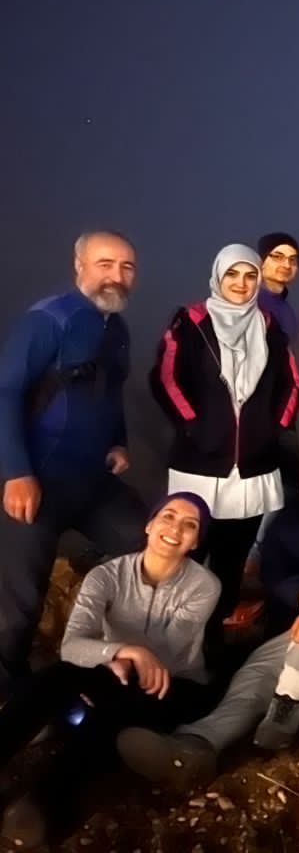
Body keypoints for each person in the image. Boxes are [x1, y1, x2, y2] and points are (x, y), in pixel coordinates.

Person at [116, 454, 299, 787]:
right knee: (253, 677)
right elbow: (274, 575)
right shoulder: (286, 526)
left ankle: (290, 699)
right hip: (297, 639)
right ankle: (195, 746)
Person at [0, 493, 220, 846]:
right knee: (53, 678)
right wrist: (118, 651)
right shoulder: (107, 575)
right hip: (112, 668)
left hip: (174, 681)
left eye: (189, 525)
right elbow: (72, 644)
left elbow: (166, 652)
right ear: (149, 525)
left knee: (111, 714)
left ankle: (44, 804)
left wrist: (118, 658)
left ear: (195, 542)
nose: (175, 528)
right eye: (168, 516)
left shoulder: (204, 585)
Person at [0, 230, 145, 698]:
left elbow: (111, 393)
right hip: (38, 481)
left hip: (92, 481)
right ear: (79, 266)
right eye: (105, 264)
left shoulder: (116, 329)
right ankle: (9, 693)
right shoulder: (49, 320)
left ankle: (117, 658)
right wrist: (16, 472)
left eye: (126, 267)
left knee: (144, 546)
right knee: (19, 602)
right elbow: (5, 392)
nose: (116, 276)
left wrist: (119, 442)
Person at [151, 244, 299, 639]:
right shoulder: (191, 320)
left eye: (250, 275)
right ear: (218, 277)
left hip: (252, 468)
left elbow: (292, 384)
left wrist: (273, 429)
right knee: (184, 555)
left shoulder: (268, 325)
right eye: (232, 274)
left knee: (231, 562)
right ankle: (166, 641)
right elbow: (166, 377)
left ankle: (212, 640)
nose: (241, 283)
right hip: (199, 465)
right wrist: (194, 426)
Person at [256, 232, 299, 344]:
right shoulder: (250, 301)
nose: (287, 265)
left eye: (292, 259)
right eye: (278, 257)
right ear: (261, 261)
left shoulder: (285, 307)